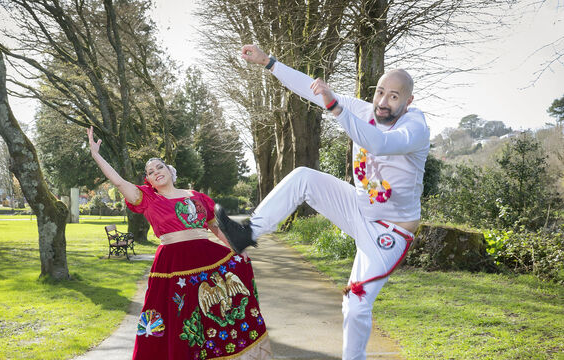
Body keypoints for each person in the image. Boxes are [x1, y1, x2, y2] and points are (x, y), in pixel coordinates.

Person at [215, 45, 430, 360]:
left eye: (394, 96)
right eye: (380, 92)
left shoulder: (415, 128)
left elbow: (380, 143)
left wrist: (337, 108)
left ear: (408, 101)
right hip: (358, 207)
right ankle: (247, 233)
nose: (383, 102)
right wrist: (269, 62)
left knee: (355, 306)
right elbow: (312, 89)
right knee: (303, 177)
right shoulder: (363, 110)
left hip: (390, 232)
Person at [87, 127, 272, 360]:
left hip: (207, 256)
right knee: (179, 316)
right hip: (172, 263)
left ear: (170, 171)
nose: (156, 172)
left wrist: (236, 249)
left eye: (159, 167)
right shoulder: (148, 199)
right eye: (150, 172)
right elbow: (119, 182)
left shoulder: (196, 196)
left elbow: (215, 228)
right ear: (149, 181)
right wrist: (96, 155)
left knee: (213, 311)